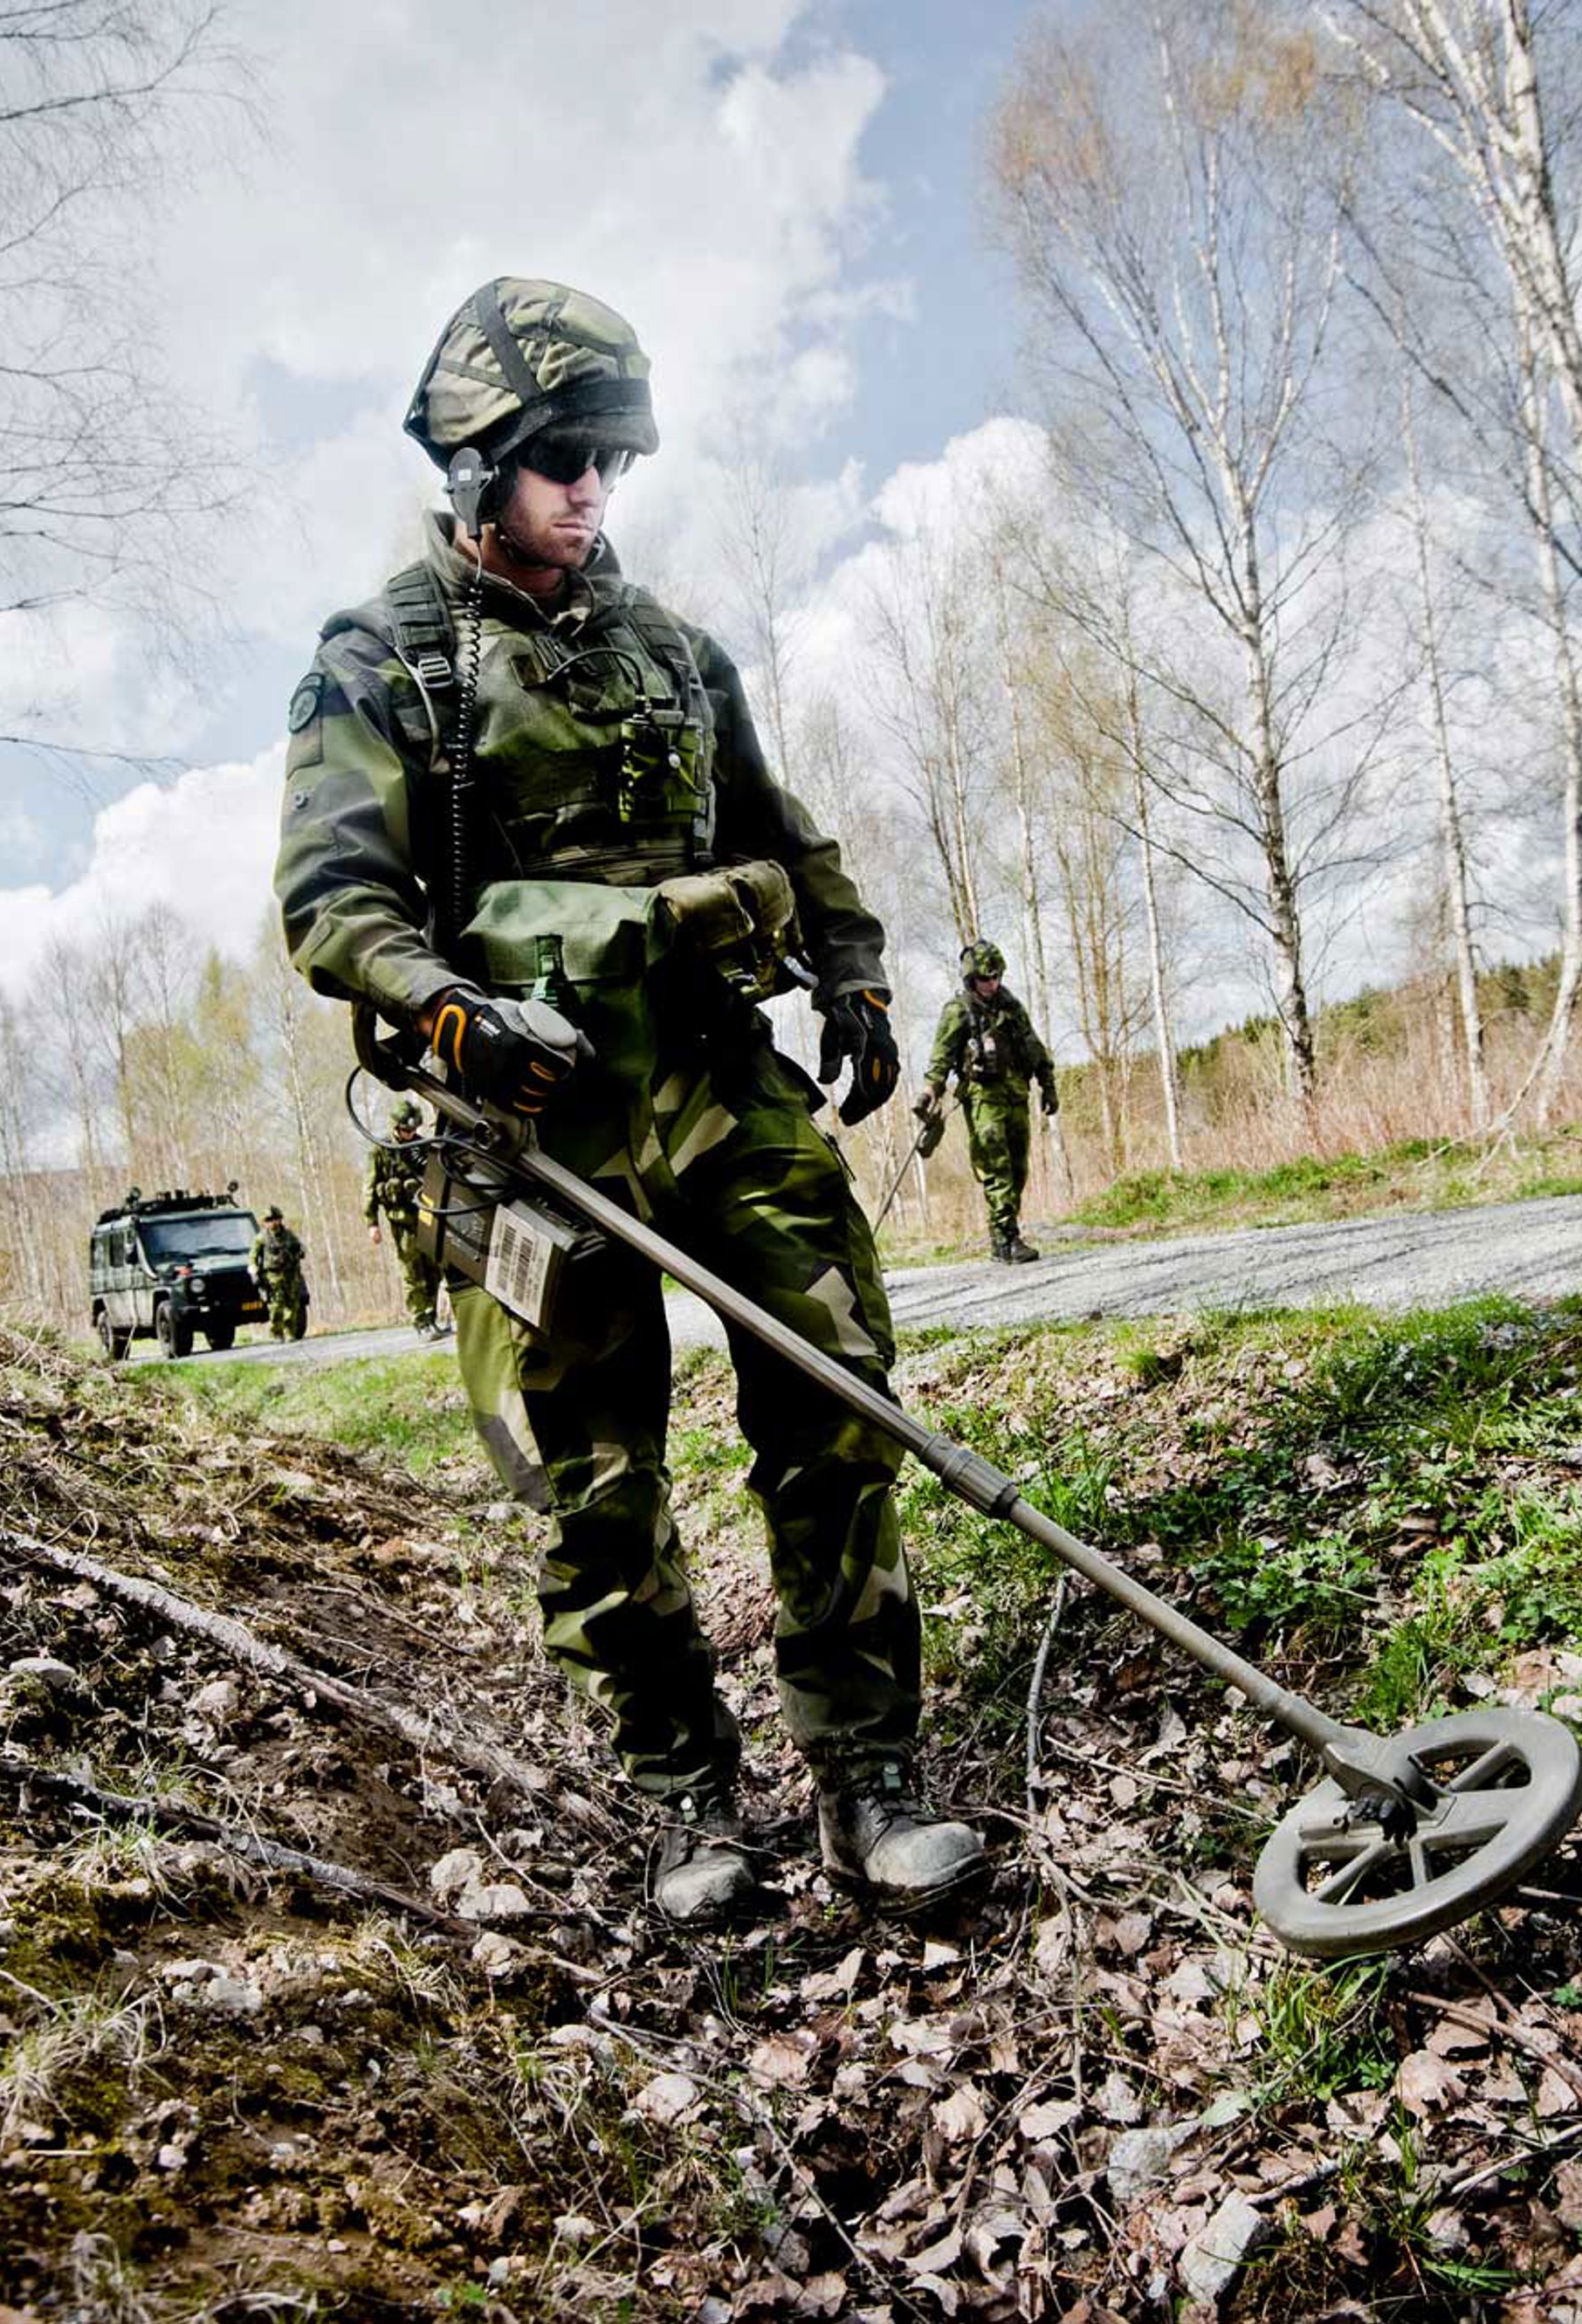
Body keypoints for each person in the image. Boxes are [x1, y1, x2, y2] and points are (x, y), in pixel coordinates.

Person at [272, 277, 983, 1921]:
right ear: (476, 463)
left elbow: (780, 829)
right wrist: (447, 1009)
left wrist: (854, 966)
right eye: (562, 454)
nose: (593, 486)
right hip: (535, 1122)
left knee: (839, 1402)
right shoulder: (387, 660)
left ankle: (867, 1776)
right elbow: (334, 902)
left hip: (722, 1080)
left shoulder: (670, 646)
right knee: (594, 1475)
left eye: (614, 455)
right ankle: (683, 1799)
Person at [920, 939, 1058, 1263]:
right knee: (996, 1167)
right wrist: (930, 1092)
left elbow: (1033, 1046)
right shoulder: (958, 1011)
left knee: (1018, 1168)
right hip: (983, 1099)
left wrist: (1048, 1084)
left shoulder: (1010, 1006)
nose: (992, 984)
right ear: (971, 978)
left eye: (996, 977)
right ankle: (1006, 1238)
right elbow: (940, 1058)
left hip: (1016, 1095)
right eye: (985, 978)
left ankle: (1003, 1236)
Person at [363, 1100, 447, 1337]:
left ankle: (431, 1317)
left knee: (433, 1270)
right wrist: (372, 1223)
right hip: (401, 1220)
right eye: (405, 1131)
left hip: (427, 1216)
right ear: (396, 1127)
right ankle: (420, 1321)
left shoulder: (421, 1145)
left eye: (413, 1130)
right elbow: (369, 1188)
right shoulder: (380, 1150)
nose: (410, 1135)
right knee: (412, 1272)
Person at [256, 1206, 311, 1341]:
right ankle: (276, 1332)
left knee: (292, 1305)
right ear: (265, 1222)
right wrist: (253, 1269)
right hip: (273, 1276)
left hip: (290, 1275)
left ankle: (289, 1332)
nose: (274, 1223)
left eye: (276, 1219)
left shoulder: (289, 1235)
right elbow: (253, 1255)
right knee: (276, 1307)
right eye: (270, 1220)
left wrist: (300, 1252)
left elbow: (300, 1247)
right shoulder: (261, 1238)